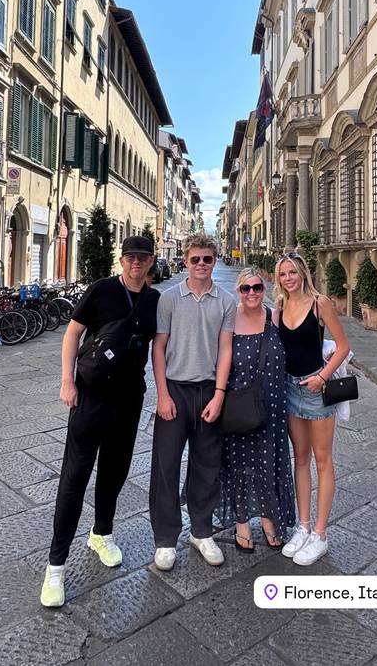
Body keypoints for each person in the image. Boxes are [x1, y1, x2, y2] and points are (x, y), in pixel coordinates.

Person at [40, 236, 159, 607]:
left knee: (115, 472)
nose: (136, 263)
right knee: (74, 479)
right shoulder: (102, 289)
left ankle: (101, 533)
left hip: (129, 400)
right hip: (90, 395)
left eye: (142, 258)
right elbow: (73, 332)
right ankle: (55, 567)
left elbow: (162, 346)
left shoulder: (156, 300)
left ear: (151, 261)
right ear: (121, 260)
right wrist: (66, 380)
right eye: (130, 258)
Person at [150, 232, 235, 571]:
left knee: (207, 465)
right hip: (175, 390)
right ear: (185, 260)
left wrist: (219, 394)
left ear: (215, 261)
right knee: (165, 467)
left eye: (207, 259)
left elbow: (226, 349)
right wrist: (162, 394)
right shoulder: (168, 298)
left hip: (209, 392)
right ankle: (166, 539)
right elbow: (157, 348)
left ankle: (202, 531)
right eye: (195, 259)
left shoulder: (226, 301)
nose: (201, 264)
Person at [276, 252, 350, 566]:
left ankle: (320, 534)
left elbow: (343, 346)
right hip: (291, 390)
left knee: (323, 460)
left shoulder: (320, 303)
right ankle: (302, 526)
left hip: (316, 390)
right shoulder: (278, 307)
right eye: (283, 274)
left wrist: (321, 376)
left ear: (303, 273)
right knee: (301, 459)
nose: (288, 278)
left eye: (293, 272)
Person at [216, 268, 295, 551]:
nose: (252, 293)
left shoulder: (275, 317)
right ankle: (241, 522)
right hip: (238, 405)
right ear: (238, 291)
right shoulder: (228, 318)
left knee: (268, 463)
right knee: (238, 465)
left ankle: (268, 518)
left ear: (265, 289)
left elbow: (298, 347)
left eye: (257, 288)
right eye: (245, 289)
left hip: (272, 406)